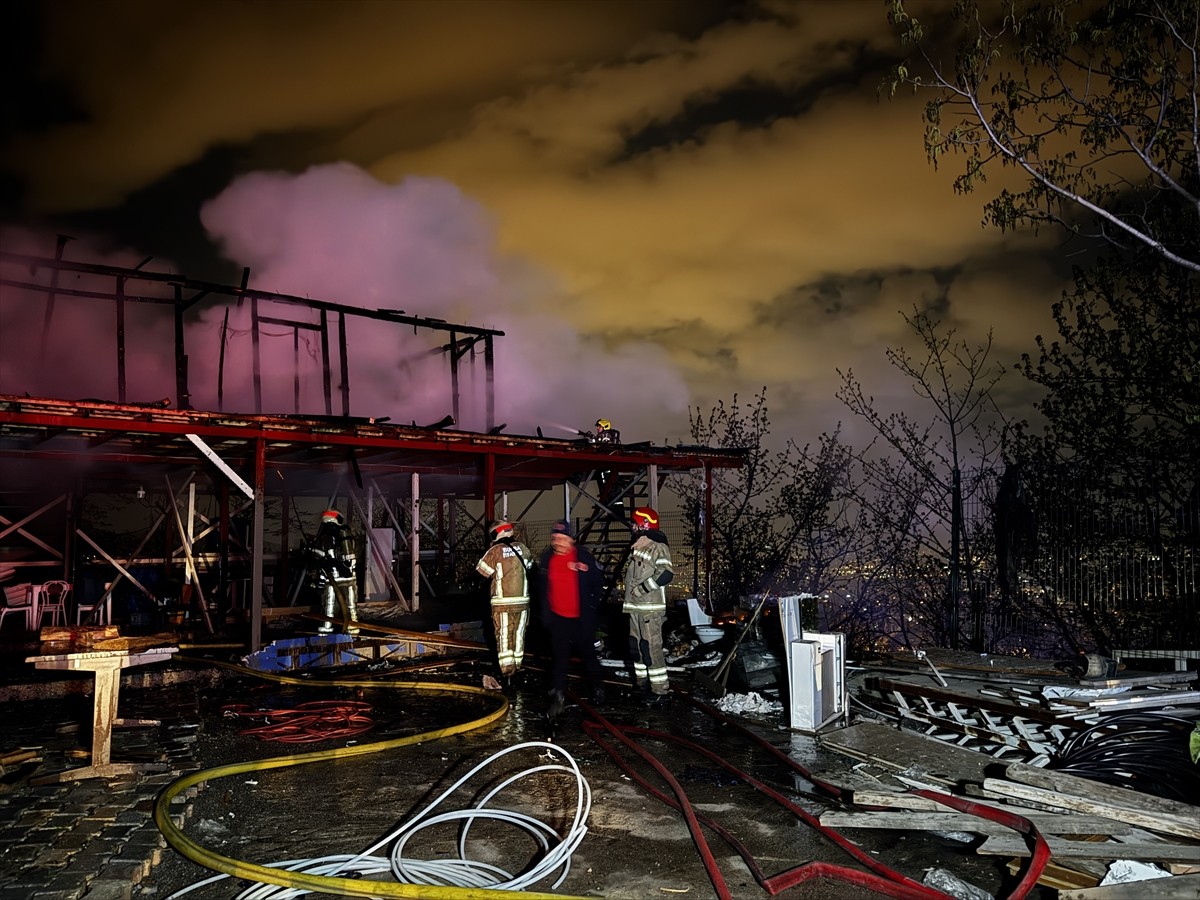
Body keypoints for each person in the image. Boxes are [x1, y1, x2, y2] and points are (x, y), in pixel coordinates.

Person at [536, 520, 606, 717]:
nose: (557, 542)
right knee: (559, 660)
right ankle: (557, 697)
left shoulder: (584, 557)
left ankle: (597, 687)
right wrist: (546, 615)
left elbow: (597, 583)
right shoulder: (547, 559)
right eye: (554, 538)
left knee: (589, 657)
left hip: (581, 620)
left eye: (562, 538)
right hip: (558, 620)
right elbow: (542, 589)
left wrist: (591, 608)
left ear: (571, 540)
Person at [623, 507, 674, 704]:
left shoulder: (657, 546)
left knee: (651, 649)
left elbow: (666, 573)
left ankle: (660, 691)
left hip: (650, 609)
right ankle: (642, 683)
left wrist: (642, 589)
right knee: (636, 647)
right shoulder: (638, 546)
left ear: (645, 524)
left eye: (635, 523)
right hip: (635, 608)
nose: (632, 526)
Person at [475, 520, 534, 681]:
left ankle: (507, 673)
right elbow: (530, 567)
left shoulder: (495, 551)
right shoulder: (523, 548)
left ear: (495, 534)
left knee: (504, 637)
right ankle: (517, 667)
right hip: (523, 602)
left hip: (503, 604)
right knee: (519, 634)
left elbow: (482, 572)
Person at [307, 509, 360, 635]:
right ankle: (353, 627)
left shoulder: (325, 537)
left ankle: (327, 627)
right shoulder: (344, 534)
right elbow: (351, 558)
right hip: (348, 578)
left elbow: (320, 557)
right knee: (350, 605)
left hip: (333, 578)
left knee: (329, 604)